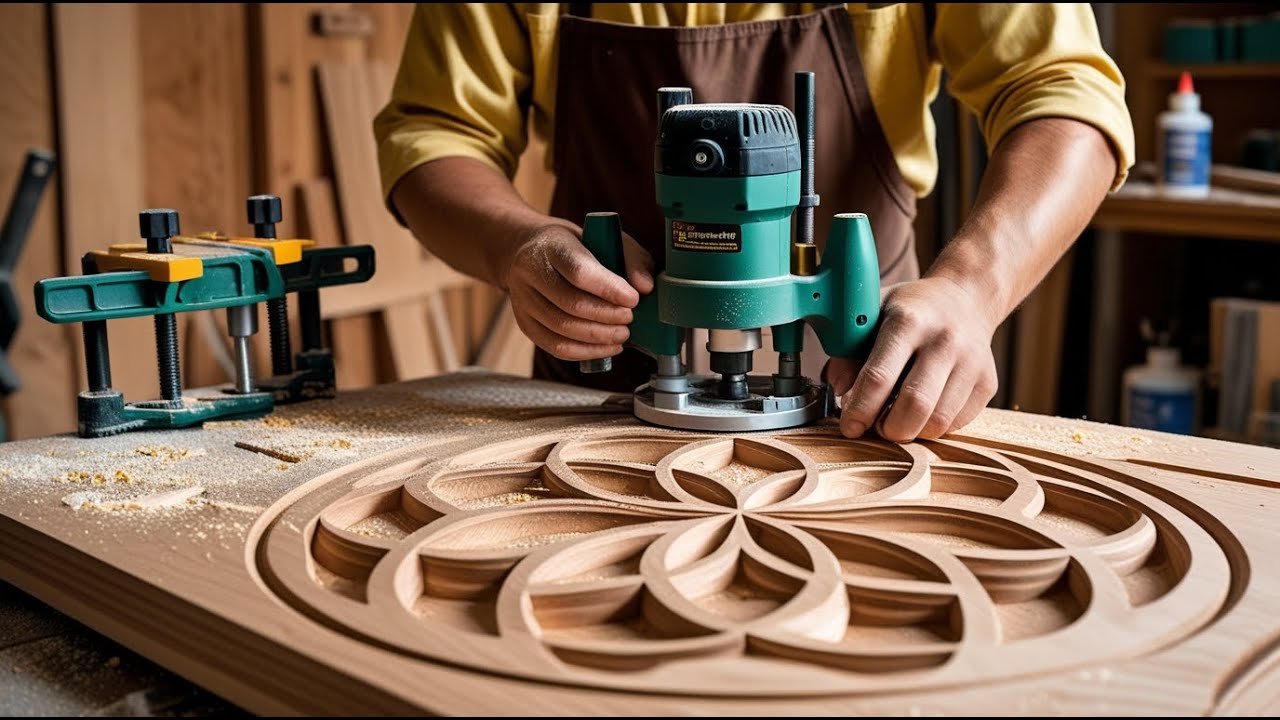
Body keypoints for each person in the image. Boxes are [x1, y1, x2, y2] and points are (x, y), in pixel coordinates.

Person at [375, 3, 1134, 442]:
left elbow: (1061, 88)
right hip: (603, 380)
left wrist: (972, 288)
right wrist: (518, 243)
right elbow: (434, 133)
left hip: (861, 374)